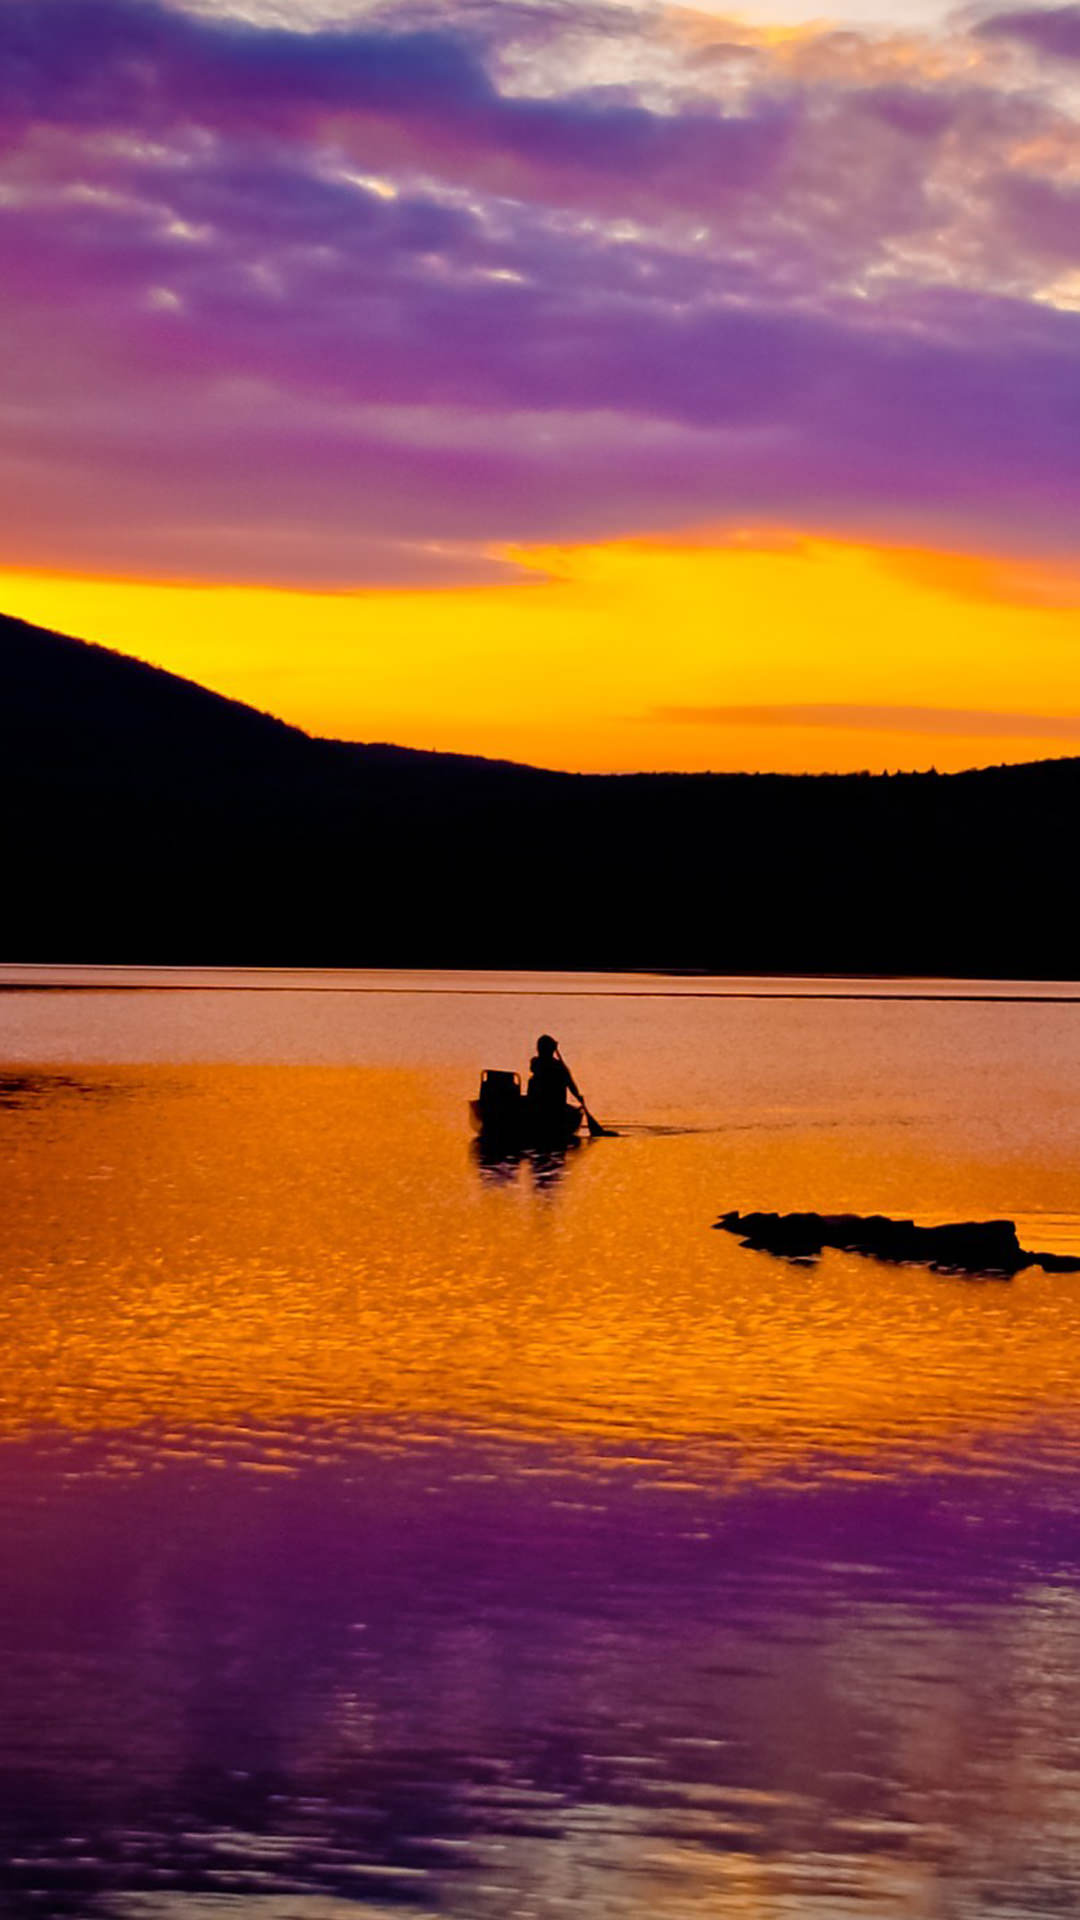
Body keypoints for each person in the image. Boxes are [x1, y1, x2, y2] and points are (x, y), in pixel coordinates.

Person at [526, 1034, 583, 1123]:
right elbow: (570, 1083)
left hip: (553, 1106)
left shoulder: (539, 1063)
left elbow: (570, 1084)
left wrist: (578, 1096)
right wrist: (578, 1097)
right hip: (546, 1106)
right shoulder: (555, 1066)